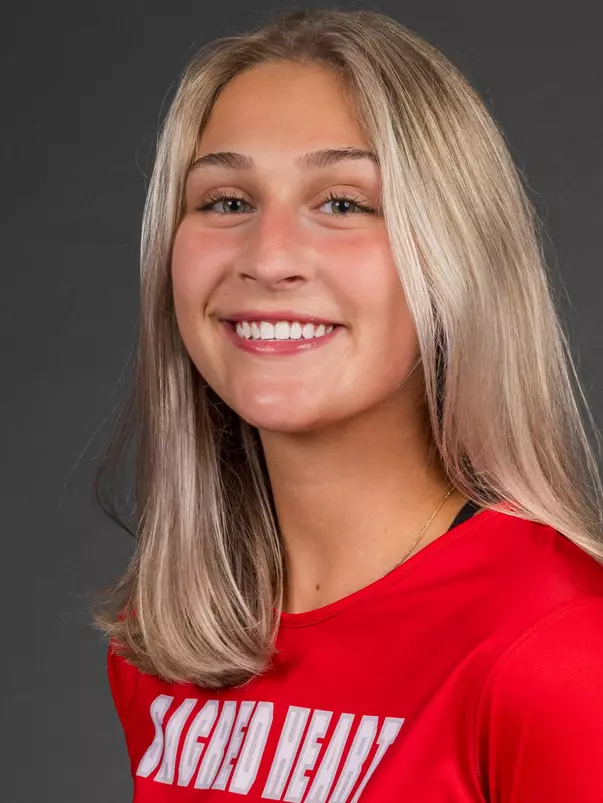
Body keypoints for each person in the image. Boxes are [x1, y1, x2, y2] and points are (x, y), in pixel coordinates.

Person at [93, 7, 603, 802]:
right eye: (226, 201)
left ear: (453, 253)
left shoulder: (561, 653)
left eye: (342, 203)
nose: (267, 258)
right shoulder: (164, 640)